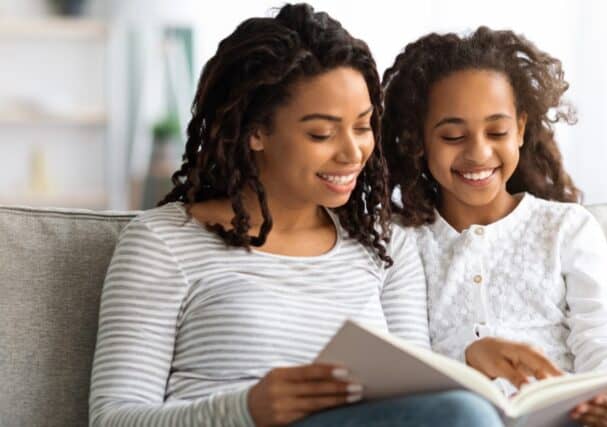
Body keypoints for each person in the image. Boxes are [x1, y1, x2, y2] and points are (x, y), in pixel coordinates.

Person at [89, 5, 503, 426]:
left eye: (362, 127)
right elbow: (112, 419)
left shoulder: (385, 246)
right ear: (255, 132)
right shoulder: (162, 243)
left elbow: (418, 400)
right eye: (320, 133)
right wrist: (245, 410)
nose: (352, 152)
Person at [381, 27, 607, 427]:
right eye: (453, 135)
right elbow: (406, 373)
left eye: (497, 132)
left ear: (521, 129)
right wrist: (470, 357)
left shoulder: (566, 228)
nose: (478, 152)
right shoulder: (404, 242)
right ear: (419, 140)